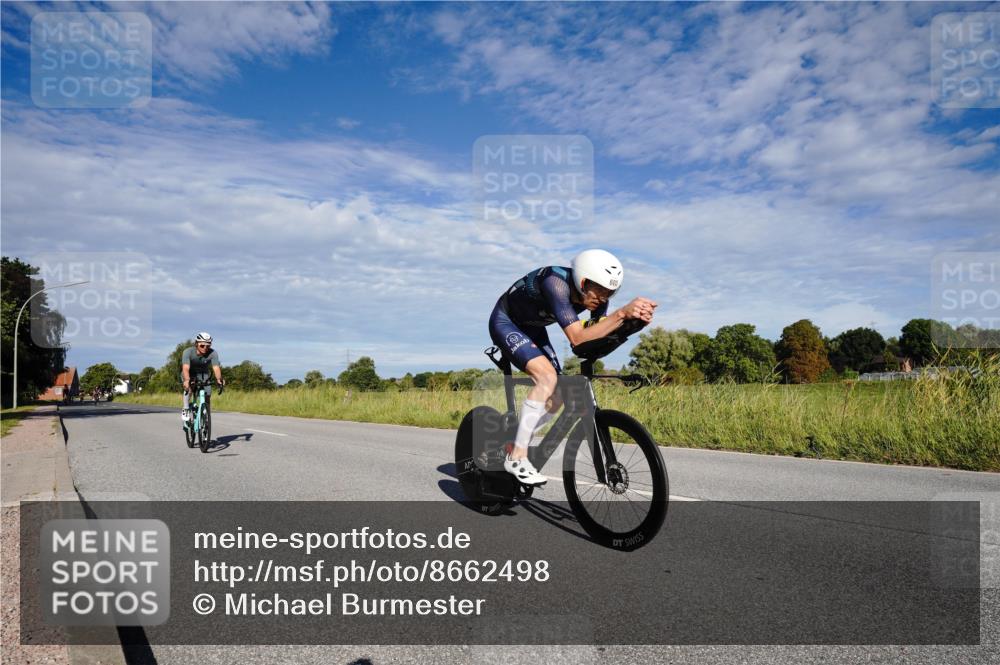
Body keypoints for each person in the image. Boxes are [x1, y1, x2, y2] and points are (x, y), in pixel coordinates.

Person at [488, 249, 657, 485]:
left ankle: (516, 441)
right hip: (506, 322)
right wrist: (620, 314)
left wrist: (631, 324)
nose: (604, 298)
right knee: (547, 378)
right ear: (583, 281)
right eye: (600, 290)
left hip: (534, 328)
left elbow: (591, 339)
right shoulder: (555, 284)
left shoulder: (598, 300)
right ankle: (516, 457)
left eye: (611, 293)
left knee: (556, 396)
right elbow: (577, 338)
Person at [181, 332, 224, 422]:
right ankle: (185, 408)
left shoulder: (213, 353)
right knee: (189, 388)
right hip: (190, 373)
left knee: (207, 394)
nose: (205, 348)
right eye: (202, 345)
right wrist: (187, 380)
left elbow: (216, 368)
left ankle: (205, 413)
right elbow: (185, 368)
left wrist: (219, 379)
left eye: (208, 346)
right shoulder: (188, 352)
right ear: (196, 344)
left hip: (203, 374)